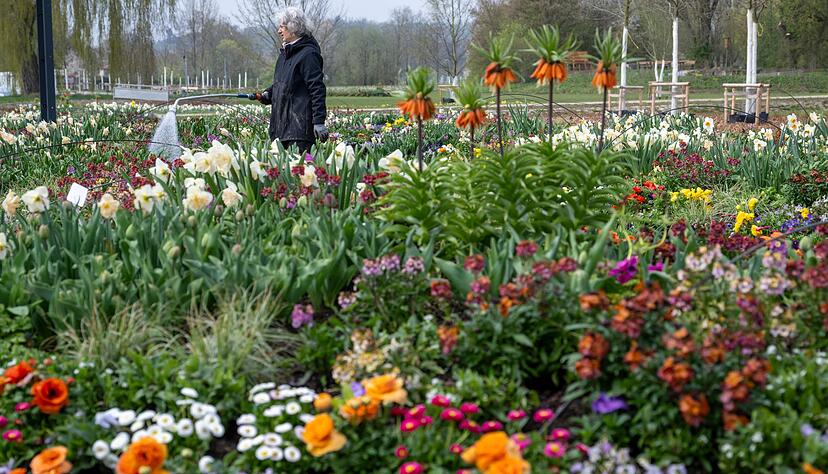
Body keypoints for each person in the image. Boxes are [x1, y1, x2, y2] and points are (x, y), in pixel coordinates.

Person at [258, 7, 329, 154]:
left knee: (301, 172)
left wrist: (319, 122)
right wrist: (268, 94)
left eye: (281, 27)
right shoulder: (285, 54)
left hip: (299, 131)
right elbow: (285, 83)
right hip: (280, 130)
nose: (279, 31)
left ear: (293, 28)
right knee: (282, 175)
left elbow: (317, 89)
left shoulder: (308, 54)